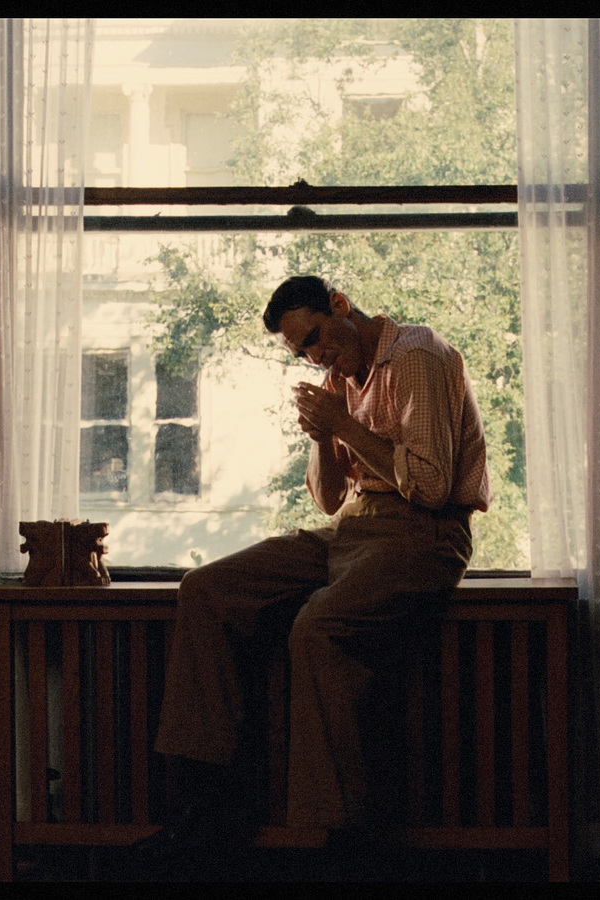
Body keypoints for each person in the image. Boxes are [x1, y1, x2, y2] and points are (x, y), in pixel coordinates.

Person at [135, 275, 490, 869]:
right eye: (302, 352)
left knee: (316, 627)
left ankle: (344, 841)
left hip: (424, 534)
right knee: (206, 591)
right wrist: (326, 436)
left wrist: (346, 426)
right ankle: (206, 812)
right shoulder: (338, 382)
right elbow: (329, 501)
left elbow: (430, 487)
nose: (317, 356)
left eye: (317, 338)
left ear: (341, 306)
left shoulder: (418, 356)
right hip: (354, 526)